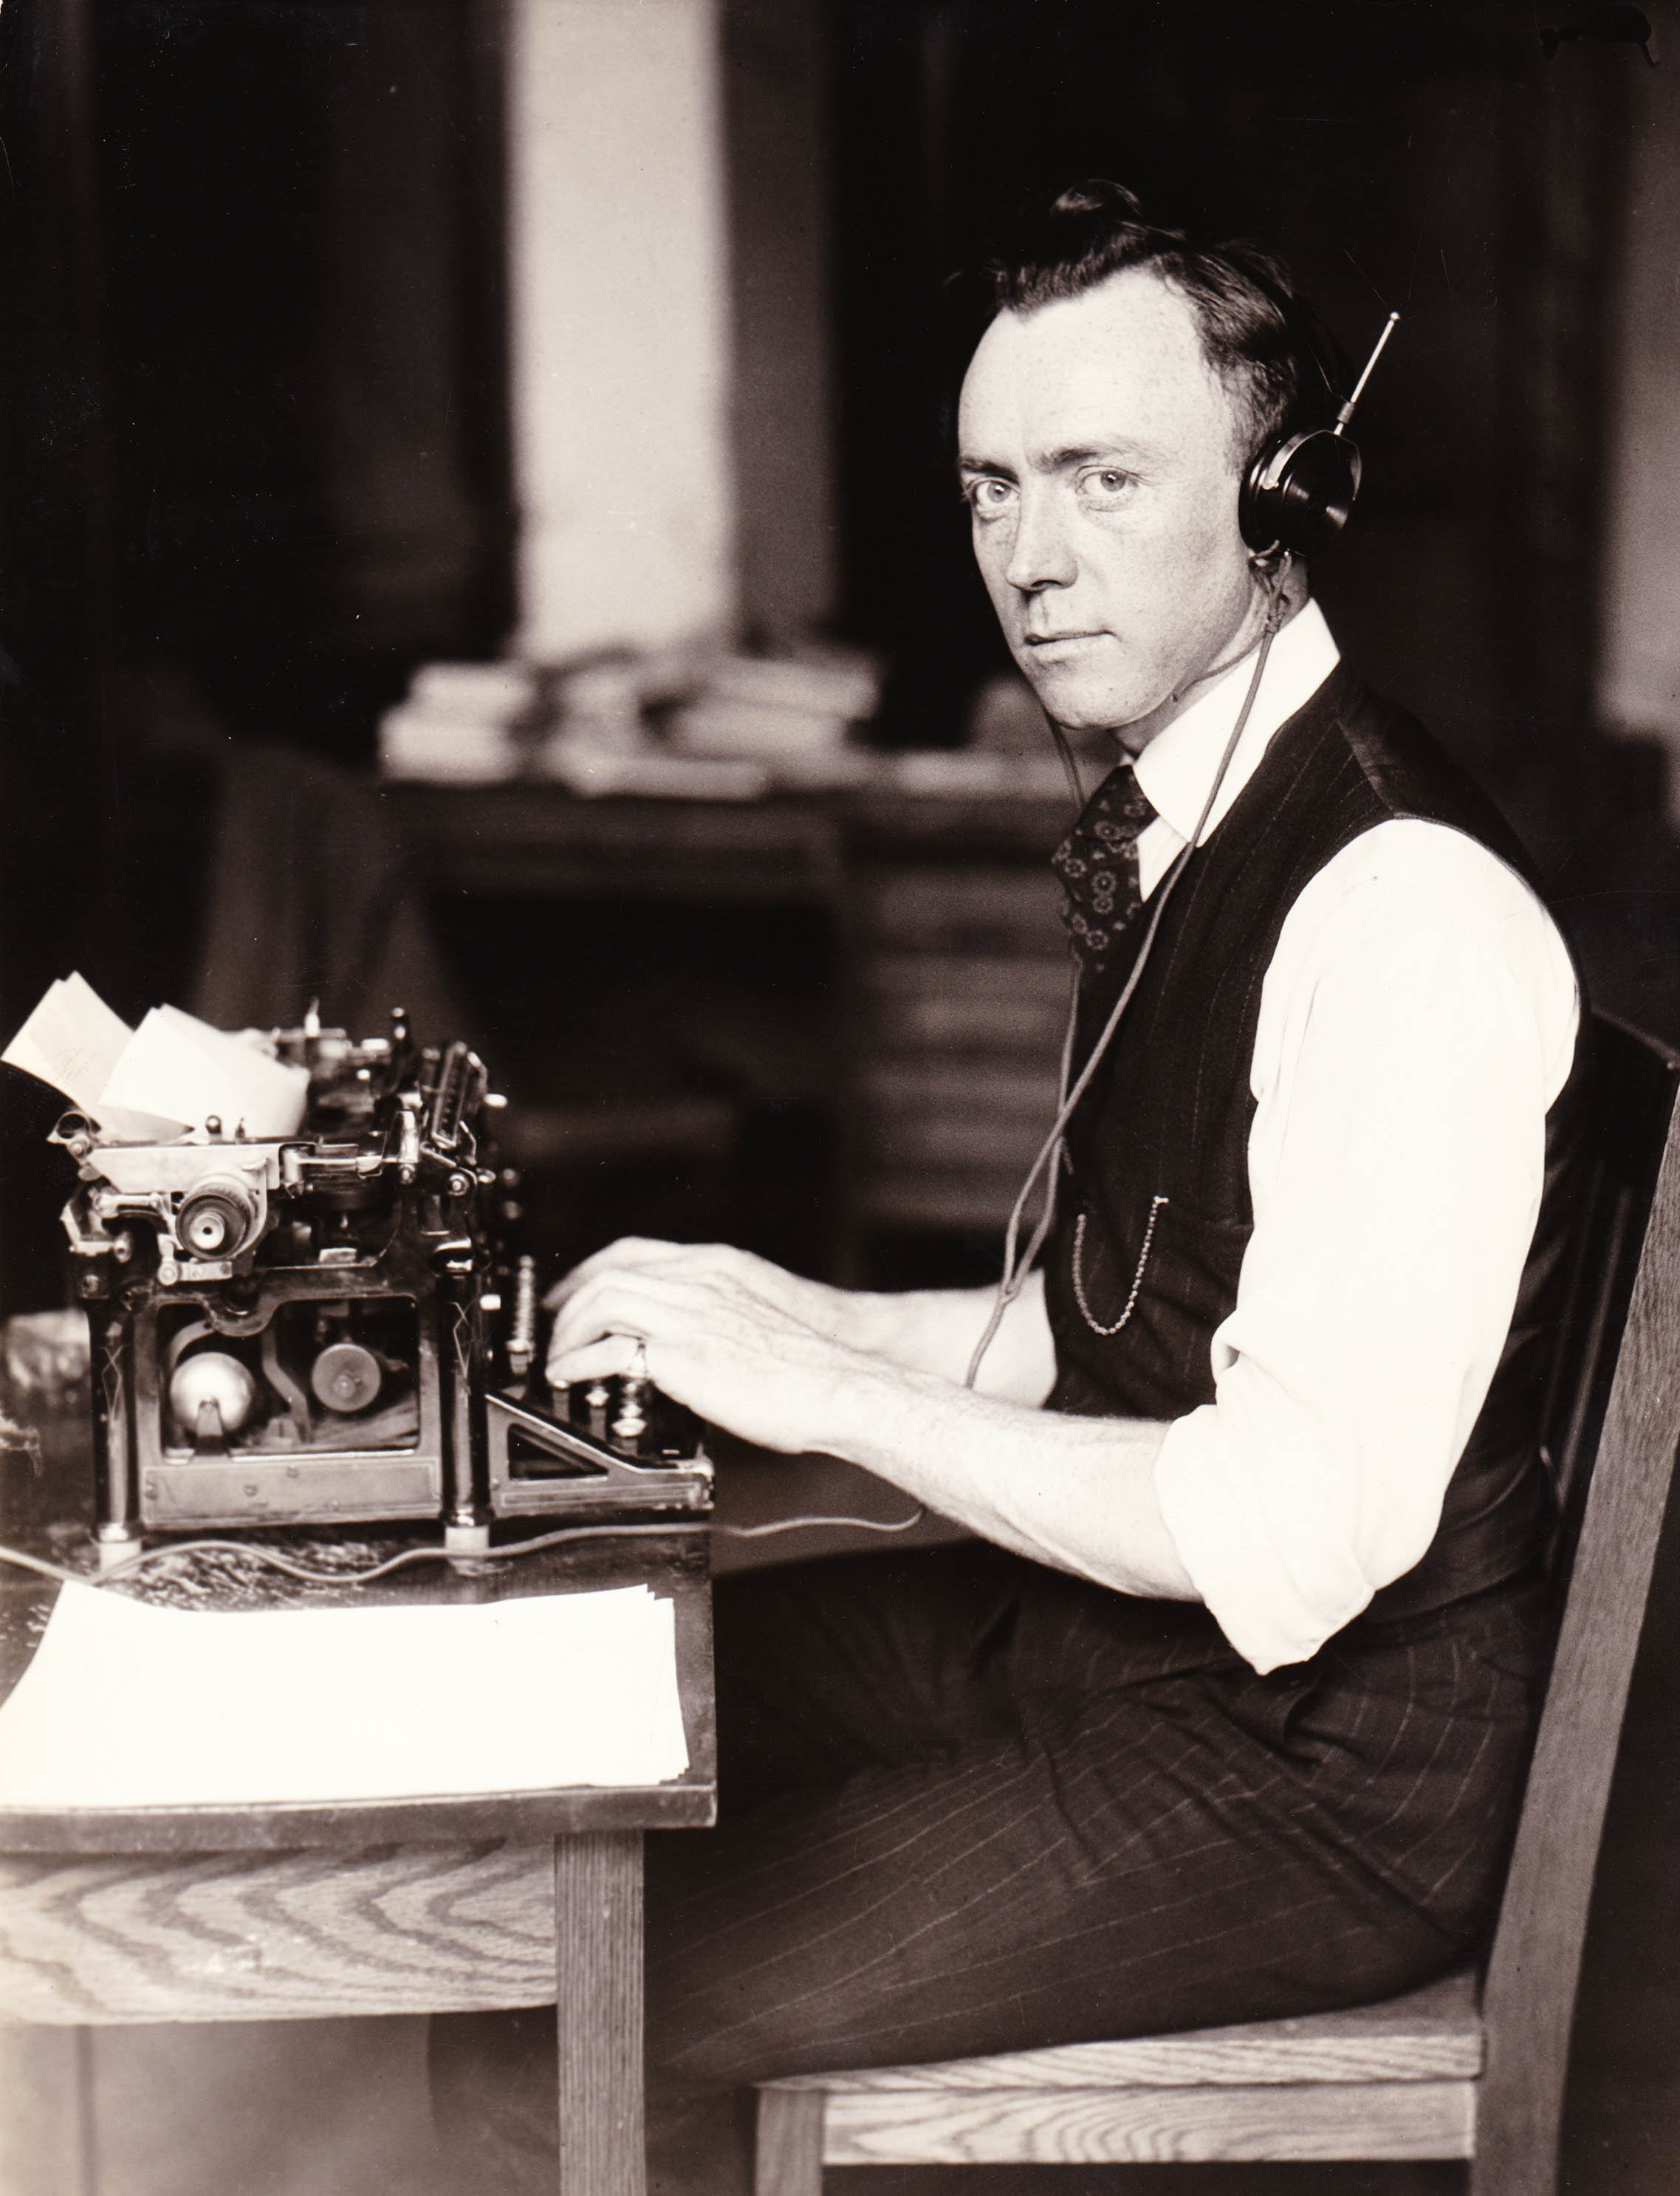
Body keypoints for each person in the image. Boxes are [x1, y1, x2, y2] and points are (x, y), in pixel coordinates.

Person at [431, 181, 1588, 2195]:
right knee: (583, 1736)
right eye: (991, 492)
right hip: (1141, 1649)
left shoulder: (1402, 907)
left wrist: (834, 1401)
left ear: (1283, 498)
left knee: (544, 1981)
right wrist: (787, 1311)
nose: (1031, 562)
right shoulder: (1190, 816)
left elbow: (1287, 1529)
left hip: (1318, 1766)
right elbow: (1126, 1317)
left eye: (1100, 479)